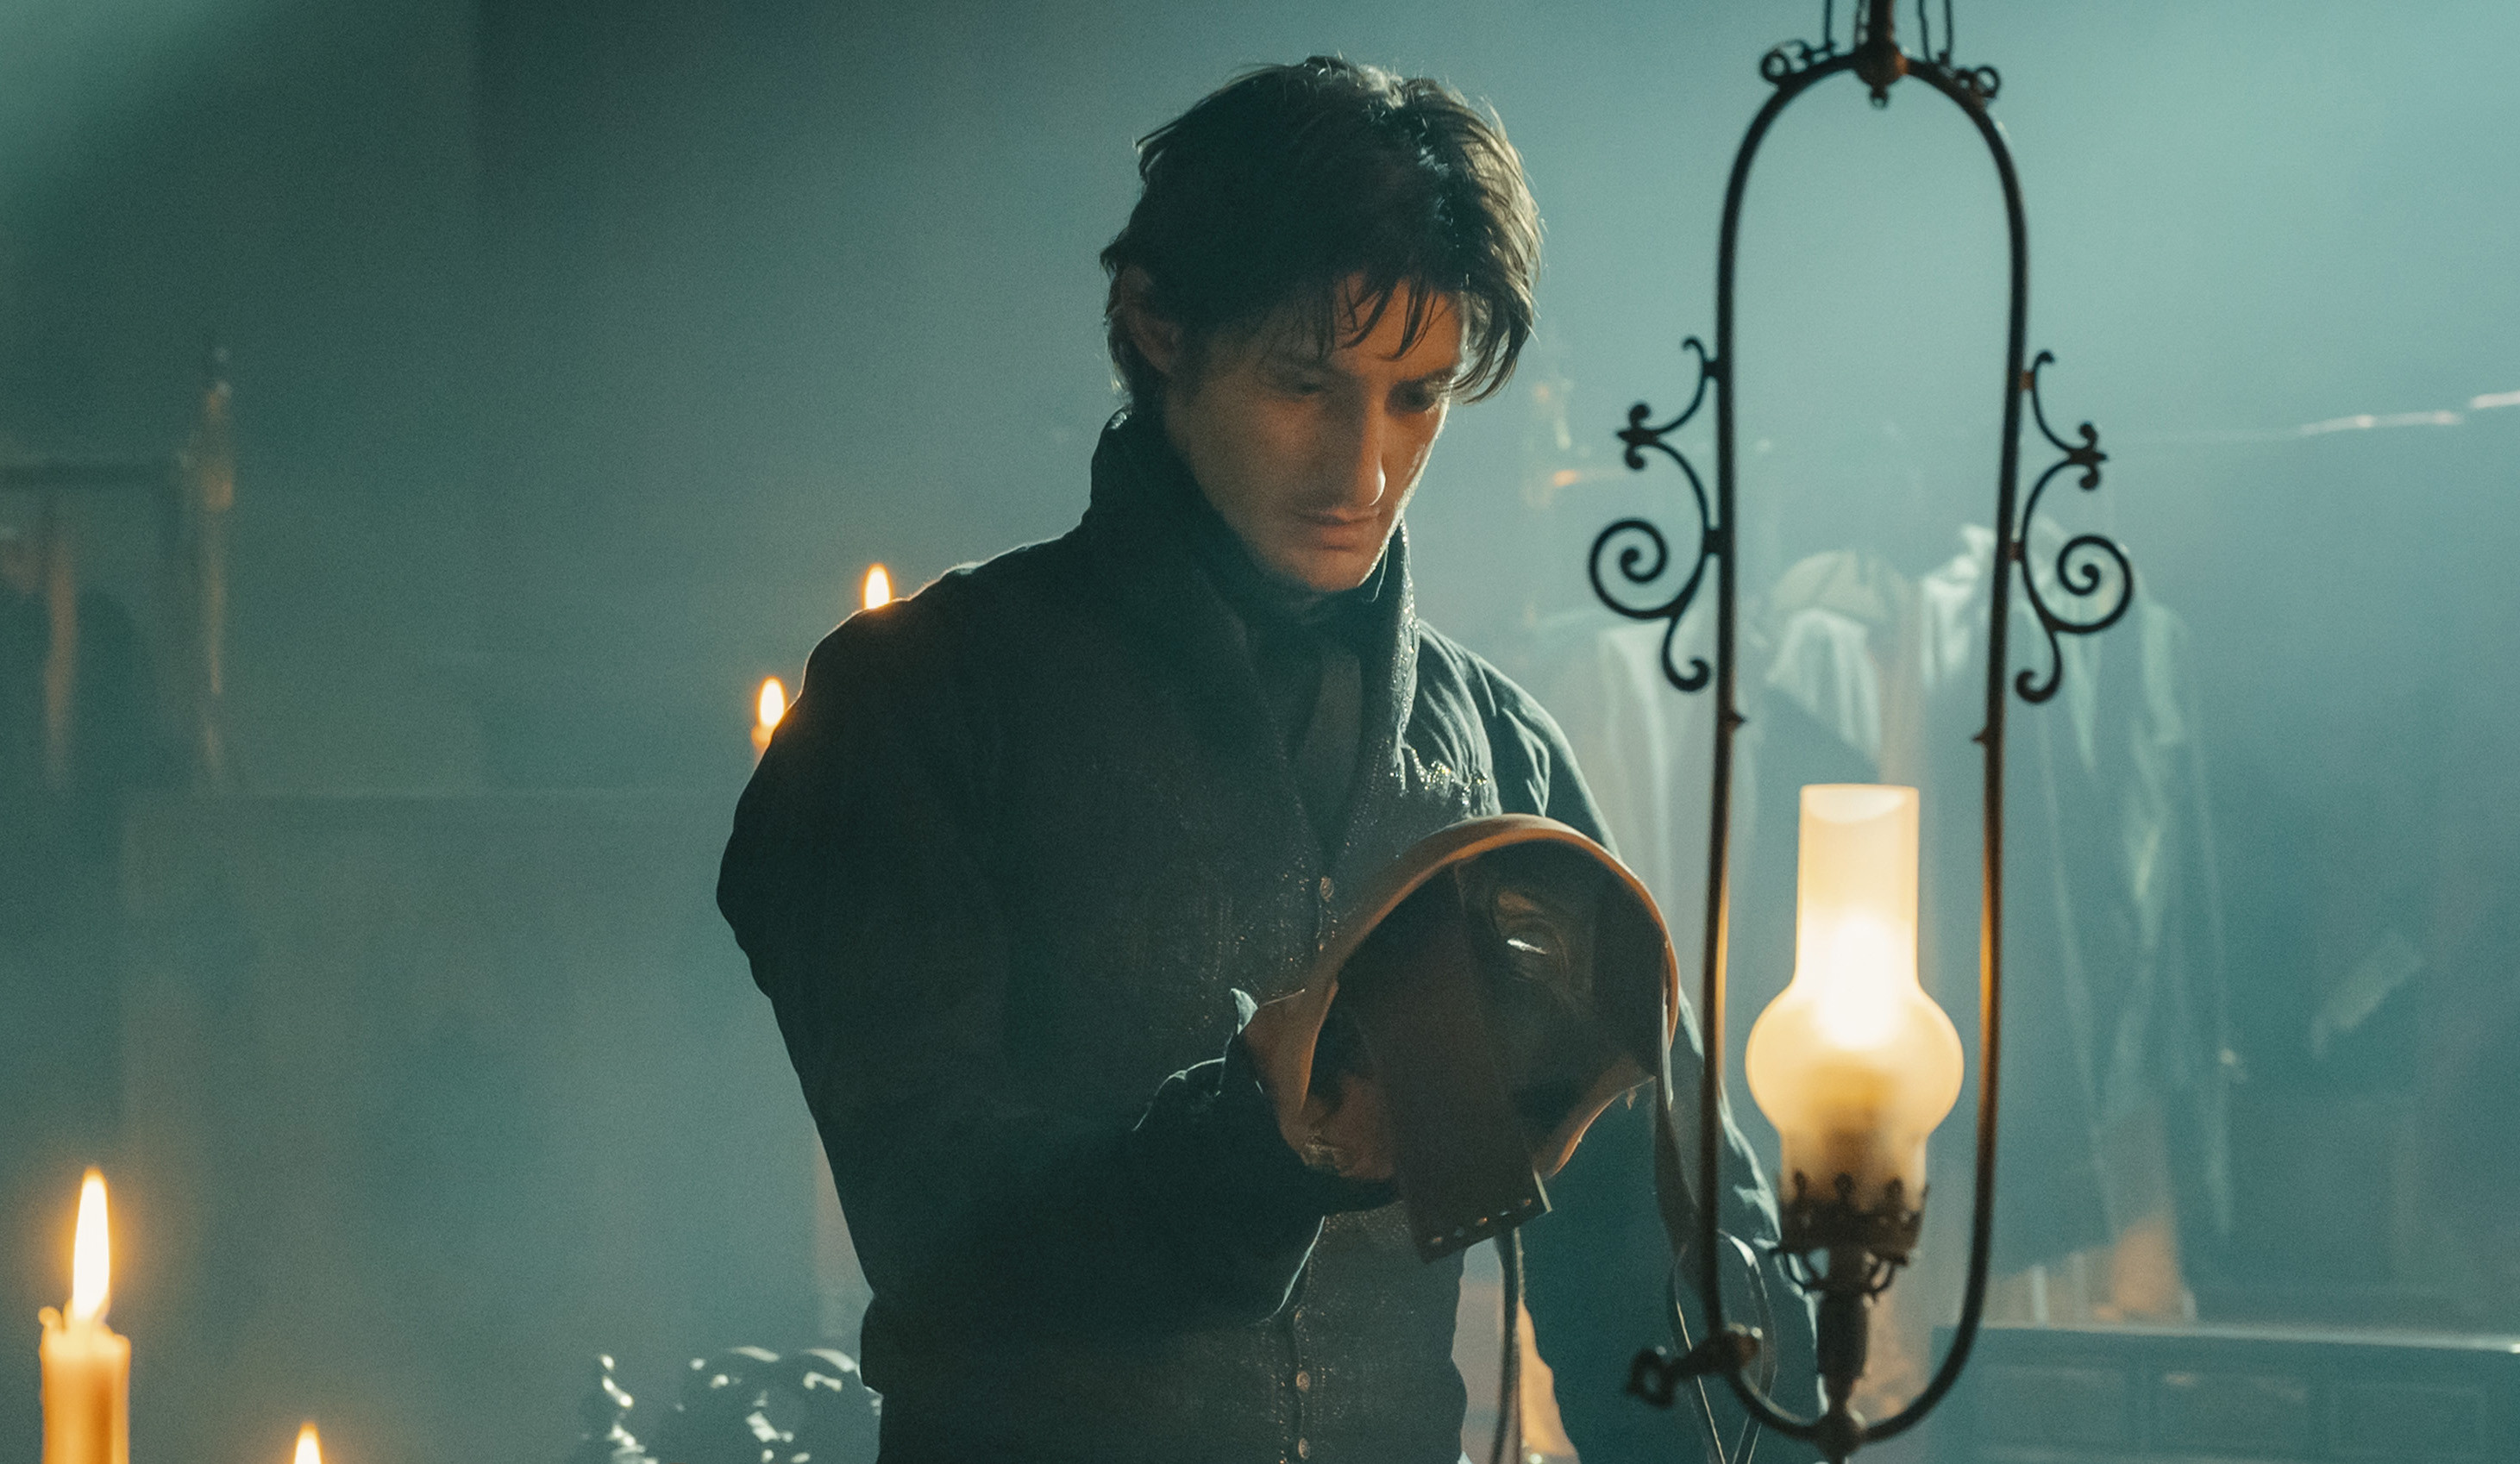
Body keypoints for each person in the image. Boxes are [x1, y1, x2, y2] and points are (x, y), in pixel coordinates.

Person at [719, 56, 1811, 1464]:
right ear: (1157, 323)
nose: (1363, 470)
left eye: (1416, 397)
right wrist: (1254, 1144)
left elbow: (1661, 1305)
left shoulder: (1500, 758)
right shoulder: (919, 705)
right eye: (1306, 384)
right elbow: (936, 1226)